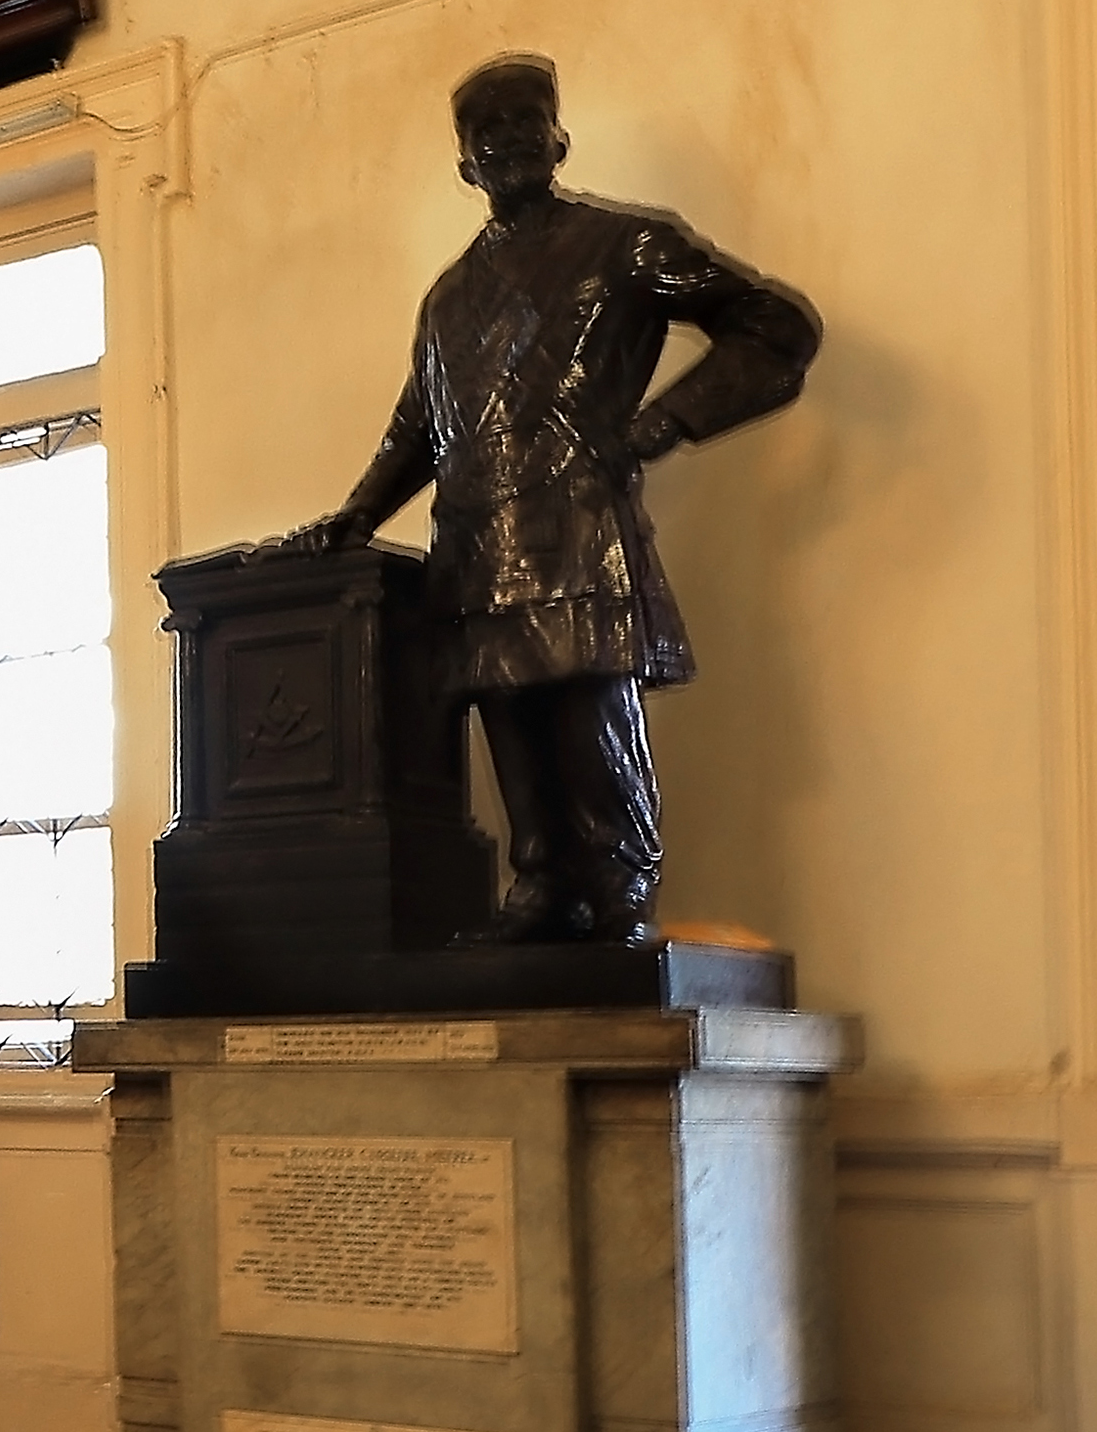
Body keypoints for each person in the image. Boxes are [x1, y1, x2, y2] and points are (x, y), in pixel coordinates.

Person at [281, 56, 819, 944]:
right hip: (475, 539)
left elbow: (778, 330)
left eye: (527, 122)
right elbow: (421, 420)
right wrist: (360, 512)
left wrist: (666, 421)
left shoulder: (626, 244)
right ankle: (541, 884)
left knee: (587, 717)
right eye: (487, 134)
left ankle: (620, 886)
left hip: (576, 530)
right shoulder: (448, 296)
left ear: (560, 139)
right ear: (466, 166)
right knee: (512, 723)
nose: (510, 142)